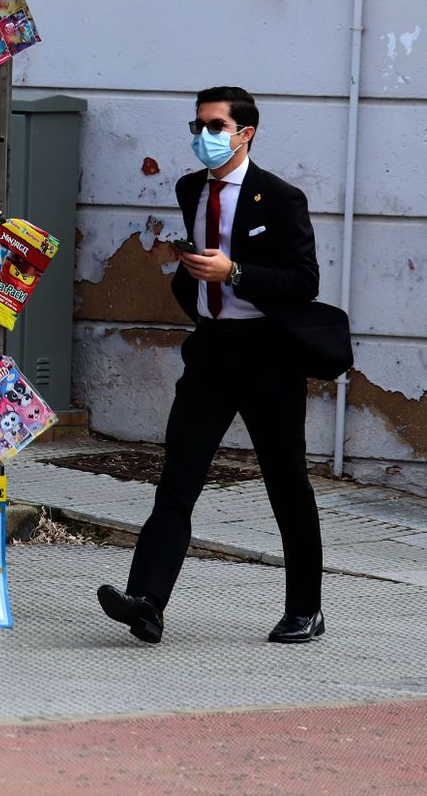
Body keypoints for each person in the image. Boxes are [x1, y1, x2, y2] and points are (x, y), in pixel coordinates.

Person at [99, 86, 326, 645]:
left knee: (285, 482)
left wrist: (235, 274)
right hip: (211, 351)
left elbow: (304, 282)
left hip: (268, 354)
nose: (204, 136)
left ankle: (306, 608)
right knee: (177, 478)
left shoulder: (280, 198)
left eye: (216, 126)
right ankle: (147, 602)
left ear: (245, 133)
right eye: (198, 125)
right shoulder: (189, 189)